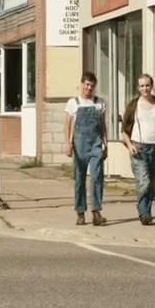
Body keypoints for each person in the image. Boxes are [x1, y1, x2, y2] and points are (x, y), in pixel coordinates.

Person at [120, 74, 155, 226]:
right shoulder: (133, 106)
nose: (145, 88)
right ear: (138, 88)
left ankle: (146, 210)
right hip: (139, 148)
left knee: (152, 184)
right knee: (144, 182)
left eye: (147, 85)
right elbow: (124, 130)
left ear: (152, 86)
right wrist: (129, 145)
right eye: (142, 86)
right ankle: (144, 212)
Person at [65, 71, 108, 226]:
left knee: (97, 178)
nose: (89, 88)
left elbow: (103, 125)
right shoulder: (73, 103)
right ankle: (80, 213)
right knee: (79, 179)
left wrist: (106, 144)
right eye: (87, 85)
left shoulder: (99, 103)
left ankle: (96, 212)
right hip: (79, 145)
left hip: (96, 144)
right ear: (82, 84)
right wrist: (68, 143)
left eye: (92, 86)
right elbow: (68, 124)